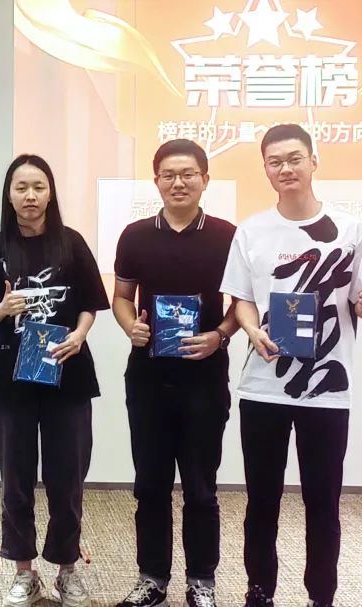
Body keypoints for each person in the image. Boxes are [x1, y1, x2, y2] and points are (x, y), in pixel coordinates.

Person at [221, 124, 362, 607]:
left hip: (328, 391)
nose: (285, 168)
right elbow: (241, 299)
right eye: (275, 161)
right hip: (263, 386)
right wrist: (251, 330)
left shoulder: (350, 229)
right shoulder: (252, 231)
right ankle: (259, 590)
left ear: (314, 161)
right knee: (262, 500)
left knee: (322, 502)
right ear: (265, 169)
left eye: (294, 158)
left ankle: (321, 595)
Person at [0, 154, 109, 607]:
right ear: (9, 195)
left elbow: (91, 303)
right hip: (11, 381)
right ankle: (23, 572)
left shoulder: (72, 244)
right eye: (21, 188)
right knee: (15, 479)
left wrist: (79, 335)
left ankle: (67, 569)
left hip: (67, 375)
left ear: (50, 193)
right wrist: (3, 309)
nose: (30, 196)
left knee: (67, 478)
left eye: (38, 187)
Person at [111, 139, 238, 607]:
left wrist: (220, 335)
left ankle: (201, 580)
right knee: (150, 485)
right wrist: (131, 327)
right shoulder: (135, 235)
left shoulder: (227, 235)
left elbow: (243, 303)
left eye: (187, 174)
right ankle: (152, 578)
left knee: (201, 488)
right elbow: (122, 297)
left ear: (205, 179)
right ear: (157, 180)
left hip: (205, 379)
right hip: (148, 378)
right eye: (168, 174)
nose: (178, 182)